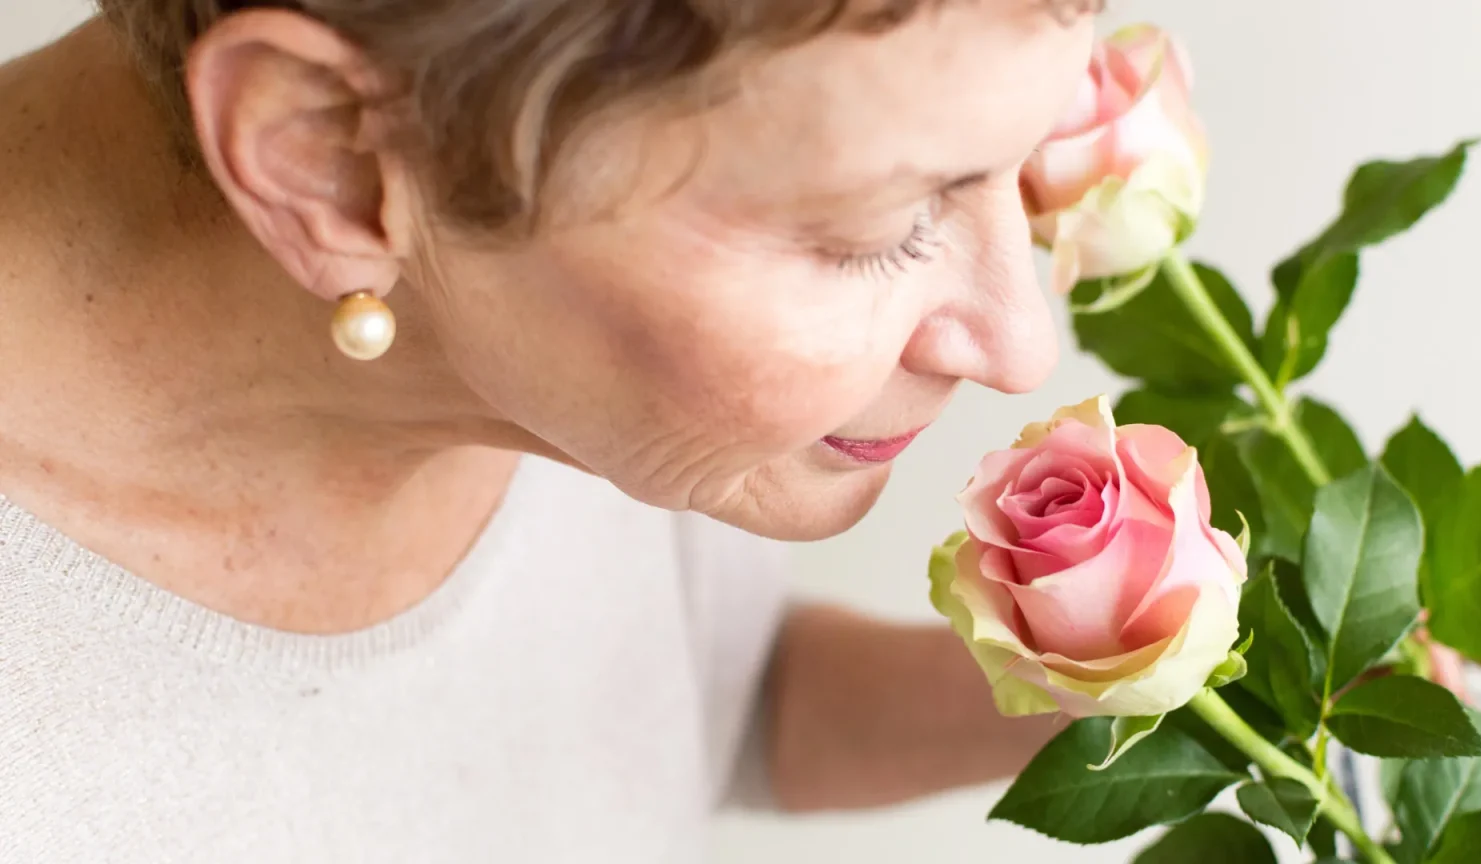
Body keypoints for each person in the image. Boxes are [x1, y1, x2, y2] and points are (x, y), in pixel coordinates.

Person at [0, 1, 1096, 860]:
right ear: (326, 159)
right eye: (880, 229)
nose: (1020, 346)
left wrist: (1127, 688)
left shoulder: (533, 323)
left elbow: (682, 705)